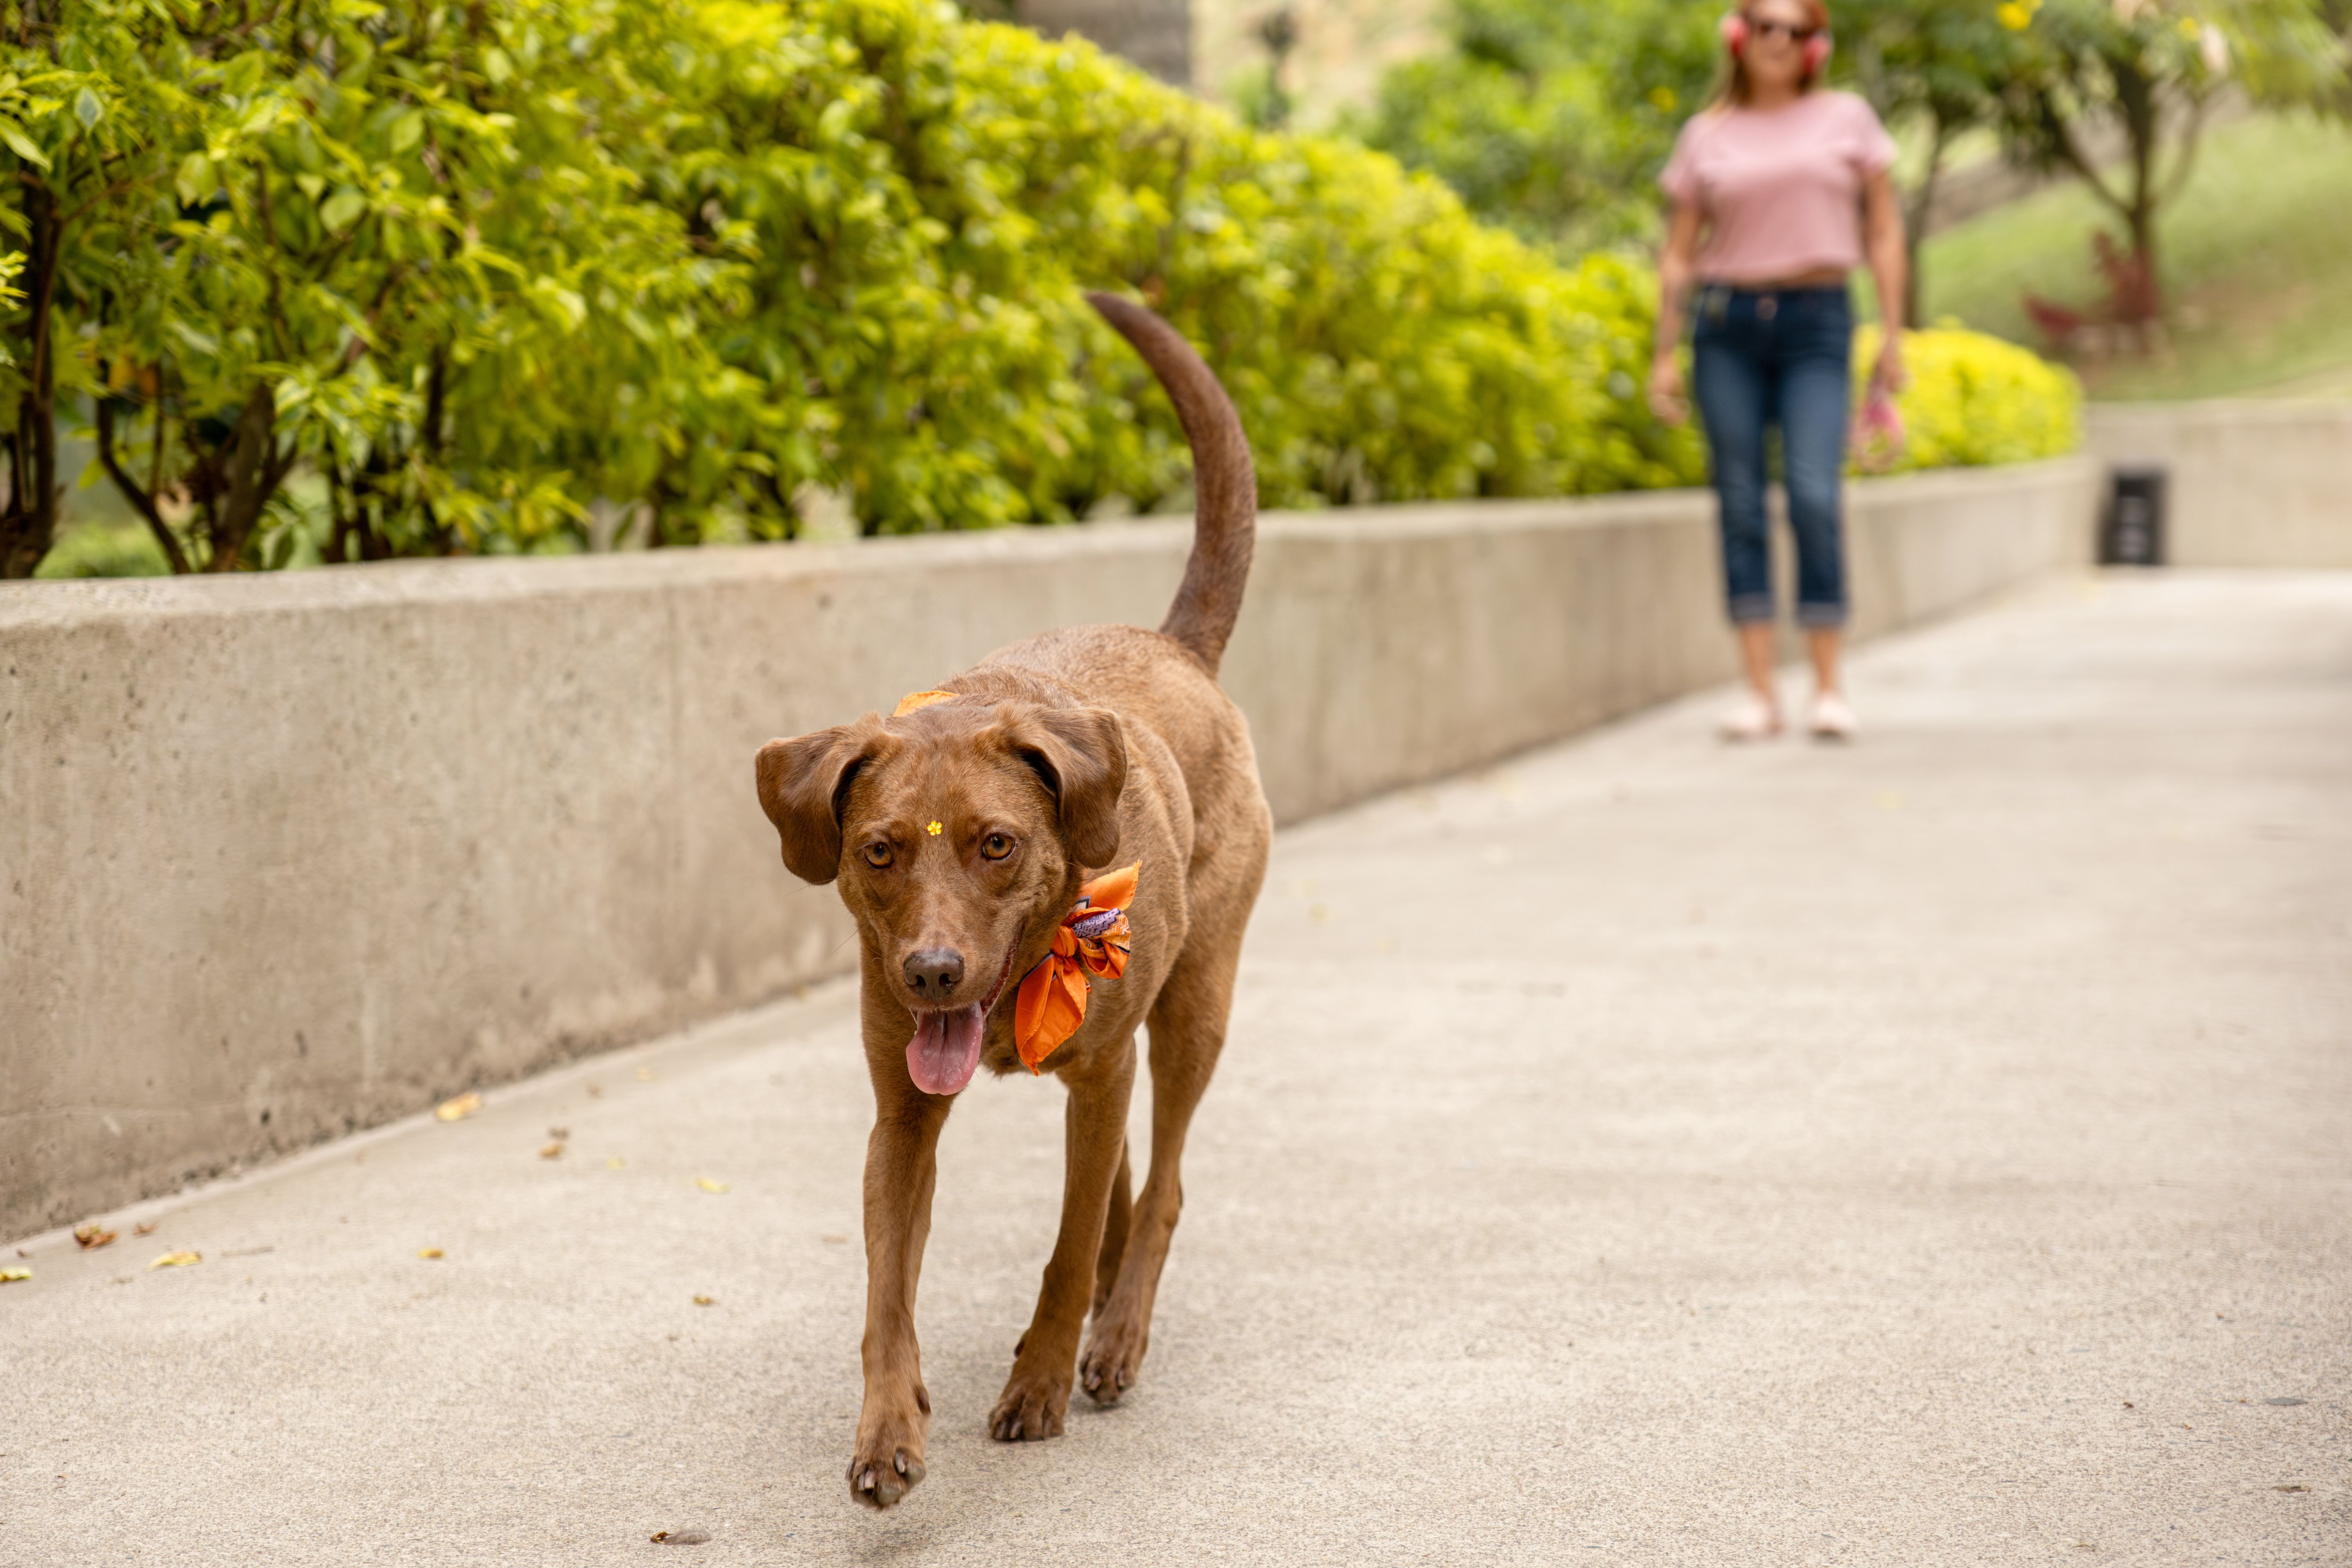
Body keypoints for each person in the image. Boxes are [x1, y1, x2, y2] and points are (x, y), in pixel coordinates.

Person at [1648, 0, 1906, 740]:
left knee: (1814, 495)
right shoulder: (1706, 134)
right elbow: (1680, 254)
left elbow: (1883, 231)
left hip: (1818, 322)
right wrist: (1664, 353)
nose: (1779, 41)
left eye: (1796, 30)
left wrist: (1893, 336)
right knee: (1739, 503)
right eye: (1766, 25)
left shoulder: (1849, 120)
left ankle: (1828, 688)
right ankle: (1760, 694)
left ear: (1815, 46)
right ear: (1739, 36)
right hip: (1725, 326)